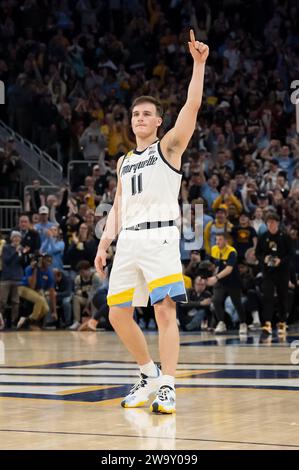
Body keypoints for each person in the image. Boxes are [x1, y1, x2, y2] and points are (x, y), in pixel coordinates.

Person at [94, 30, 209, 414]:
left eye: (147, 114)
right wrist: (103, 243)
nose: (140, 118)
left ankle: (169, 387)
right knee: (116, 313)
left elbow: (191, 108)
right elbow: (117, 205)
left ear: (159, 121)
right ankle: (147, 375)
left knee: (164, 310)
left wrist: (198, 65)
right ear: (130, 122)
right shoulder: (124, 161)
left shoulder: (169, 147)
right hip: (128, 240)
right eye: (135, 114)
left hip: (160, 237)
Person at [255, 212, 293, 336]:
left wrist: (280, 260)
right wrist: (264, 258)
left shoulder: (285, 237)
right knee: (268, 297)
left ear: (278, 223)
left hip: (282, 271)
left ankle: (282, 322)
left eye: (273, 222)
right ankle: (267, 323)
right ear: (266, 224)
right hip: (268, 272)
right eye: (269, 222)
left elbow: (291, 254)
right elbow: (257, 253)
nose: (271, 224)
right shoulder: (263, 237)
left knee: (283, 296)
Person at [206, 232, 248, 335]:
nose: (217, 242)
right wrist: (208, 275)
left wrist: (215, 277)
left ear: (226, 241)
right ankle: (221, 322)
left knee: (236, 303)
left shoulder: (232, 252)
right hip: (220, 281)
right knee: (216, 300)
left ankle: (243, 323)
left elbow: (229, 269)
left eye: (220, 239)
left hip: (233, 281)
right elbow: (212, 264)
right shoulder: (214, 249)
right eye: (216, 240)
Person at [0, 231, 24, 329]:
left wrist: (22, 254)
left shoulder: (20, 249)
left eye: (18, 237)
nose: (16, 239)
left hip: (17, 278)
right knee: (2, 301)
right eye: (15, 237)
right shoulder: (6, 248)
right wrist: (15, 251)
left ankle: (14, 322)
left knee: (16, 302)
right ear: (11, 238)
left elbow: (21, 263)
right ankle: (1, 321)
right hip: (6, 278)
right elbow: (7, 260)